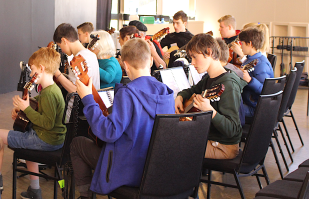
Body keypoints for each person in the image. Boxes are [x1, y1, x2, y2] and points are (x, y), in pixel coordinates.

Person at [70, 38, 175, 198]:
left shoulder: (128, 93)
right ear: (151, 61)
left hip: (128, 170)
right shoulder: (165, 92)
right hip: (156, 170)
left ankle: (85, 196)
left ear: (125, 65)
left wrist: (87, 99)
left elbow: (108, 133)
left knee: (77, 144)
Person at [0, 47, 67, 199]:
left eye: (32, 70)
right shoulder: (51, 89)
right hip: (53, 140)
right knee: (29, 149)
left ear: (41, 69)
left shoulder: (49, 94)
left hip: (45, 139)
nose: (30, 74)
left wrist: (26, 109)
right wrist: (23, 108)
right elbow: (42, 108)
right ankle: (34, 190)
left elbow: (47, 123)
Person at [175, 34, 247, 159]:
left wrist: (210, 111)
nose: (192, 63)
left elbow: (234, 130)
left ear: (208, 52)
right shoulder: (209, 77)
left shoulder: (228, 85)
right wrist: (180, 97)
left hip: (224, 147)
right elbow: (191, 90)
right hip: (210, 137)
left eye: (195, 57)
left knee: (169, 145)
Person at [53, 23, 100, 92]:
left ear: (64, 41)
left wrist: (56, 72)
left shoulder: (77, 60)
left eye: (60, 46)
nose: (62, 50)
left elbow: (75, 91)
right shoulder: (92, 55)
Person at [238, 27, 274, 117]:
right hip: (249, 103)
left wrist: (250, 80)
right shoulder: (251, 59)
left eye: (241, 43)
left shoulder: (261, 64)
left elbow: (266, 91)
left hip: (255, 108)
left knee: (224, 110)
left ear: (249, 44)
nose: (240, 46)